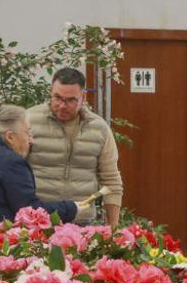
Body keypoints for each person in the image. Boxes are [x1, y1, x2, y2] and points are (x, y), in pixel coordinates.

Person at [0, 104, 80, 226]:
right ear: (10, 137)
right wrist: (70, 208)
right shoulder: (11, 162)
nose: (31, 140)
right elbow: (28, 212)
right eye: (27, 133)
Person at [27, 68, 123, 226]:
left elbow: (111, 181)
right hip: (38, 222)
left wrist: (113, 228)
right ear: (51, 92)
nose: (62, 105)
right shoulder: (28, 121)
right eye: (57, 97)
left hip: (81, 222)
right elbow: (12, 173)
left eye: (70, 100)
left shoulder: (99, 128)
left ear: (83, 97)